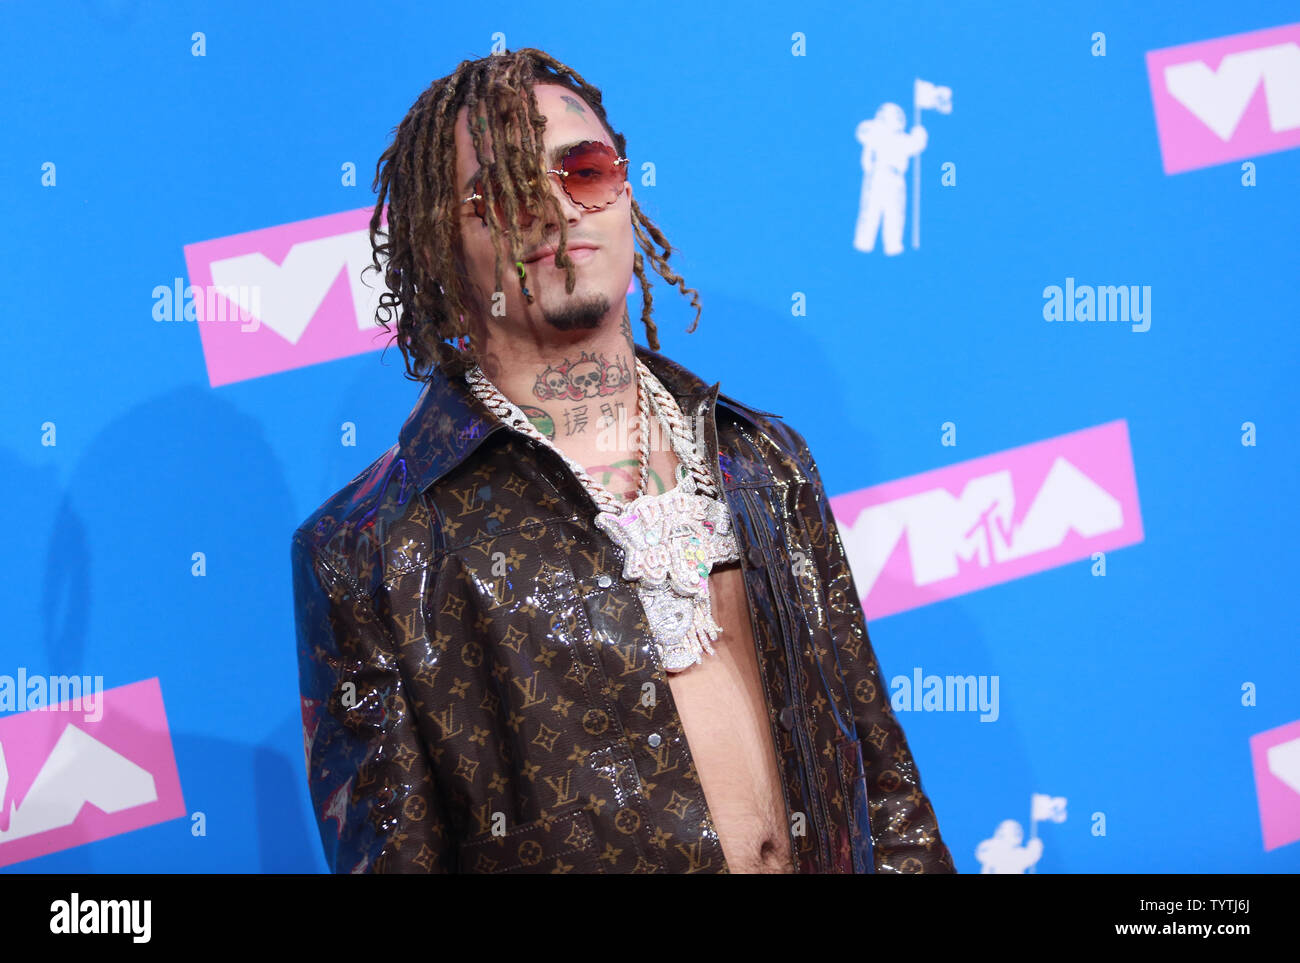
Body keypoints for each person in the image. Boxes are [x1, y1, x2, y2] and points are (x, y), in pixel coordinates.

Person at [291, 47, 956, 874]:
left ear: (625, 192)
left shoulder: (762, 461)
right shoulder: (376, 549)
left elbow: (884, 788)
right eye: (501, 194)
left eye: (585, 169)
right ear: (439, 243)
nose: (554, 211)